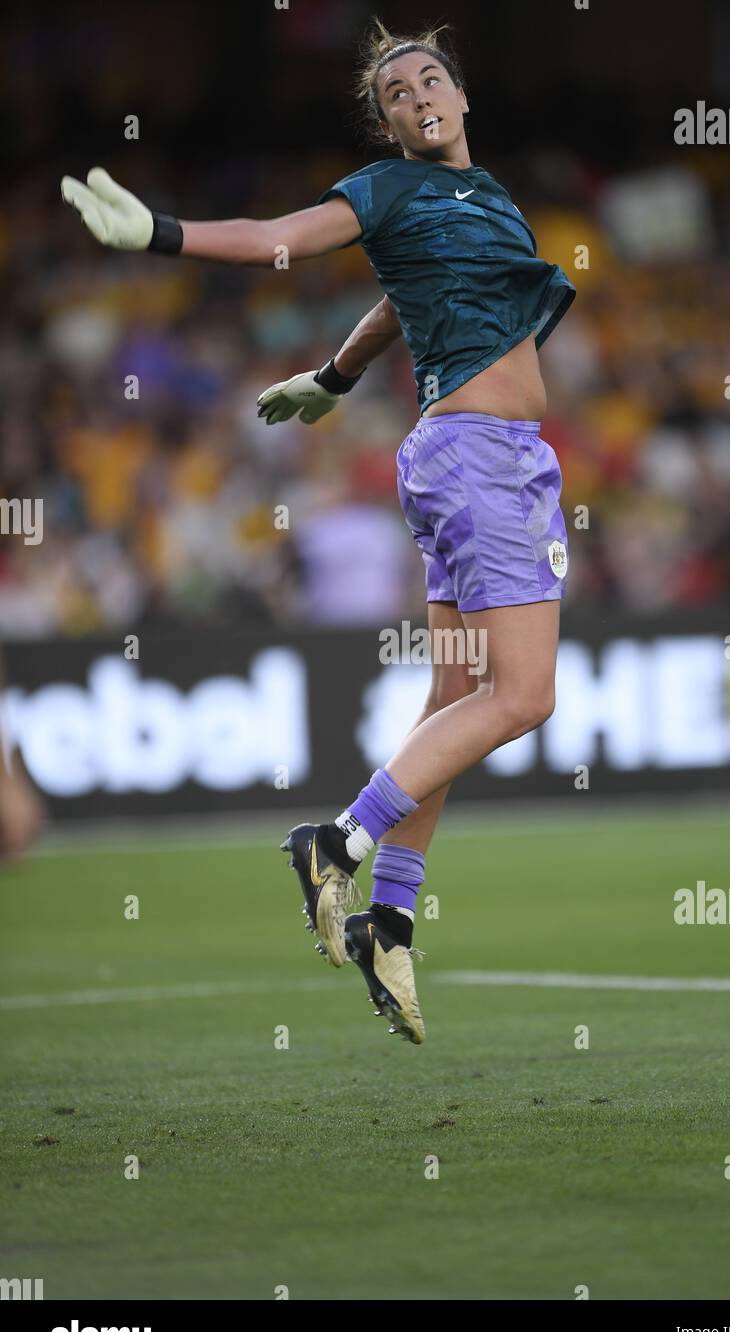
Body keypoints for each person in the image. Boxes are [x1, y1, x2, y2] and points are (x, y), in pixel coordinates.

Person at [60, 19, 576, 1045]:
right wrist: (159, 233)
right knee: (523, 696)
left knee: (454, 698)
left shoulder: (489, 200)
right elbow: (271, 239)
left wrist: (333, 379)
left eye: (432, 76)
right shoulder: (385, 190)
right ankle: (335, 842)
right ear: (387, 127)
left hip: (487, 460)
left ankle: (389, 920)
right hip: (478, 457)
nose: (417, 91)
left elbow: (397, 301)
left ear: (462, 100)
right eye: (395, 91)